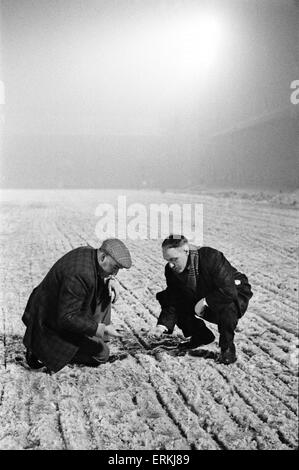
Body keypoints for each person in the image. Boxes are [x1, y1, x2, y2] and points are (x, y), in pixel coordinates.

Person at [22, 238, 132, 373]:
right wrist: (101, 328)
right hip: (49, 323)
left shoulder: (89, 254)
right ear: (103, 256)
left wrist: (110, 279)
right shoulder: (79, 274)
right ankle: (41, 353)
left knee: (105, 292)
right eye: (115, 268)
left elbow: (98, 276)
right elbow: (67, 318)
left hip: (58, 307)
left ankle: (93, 338)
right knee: (102, 354)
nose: (115, 273)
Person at [152, 235, 253, 364]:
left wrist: (205, 302)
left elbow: (228, 290)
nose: (171, 265)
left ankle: (227, 347)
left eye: (174, 259)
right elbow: (173, 299)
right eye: (167, 260)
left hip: (234, 291)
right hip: (202, 292)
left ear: (186, 251)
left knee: (228, 305)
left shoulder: (211, 257)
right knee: (167, 297)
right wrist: (161, 326)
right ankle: (201, 335)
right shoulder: (171, 271)